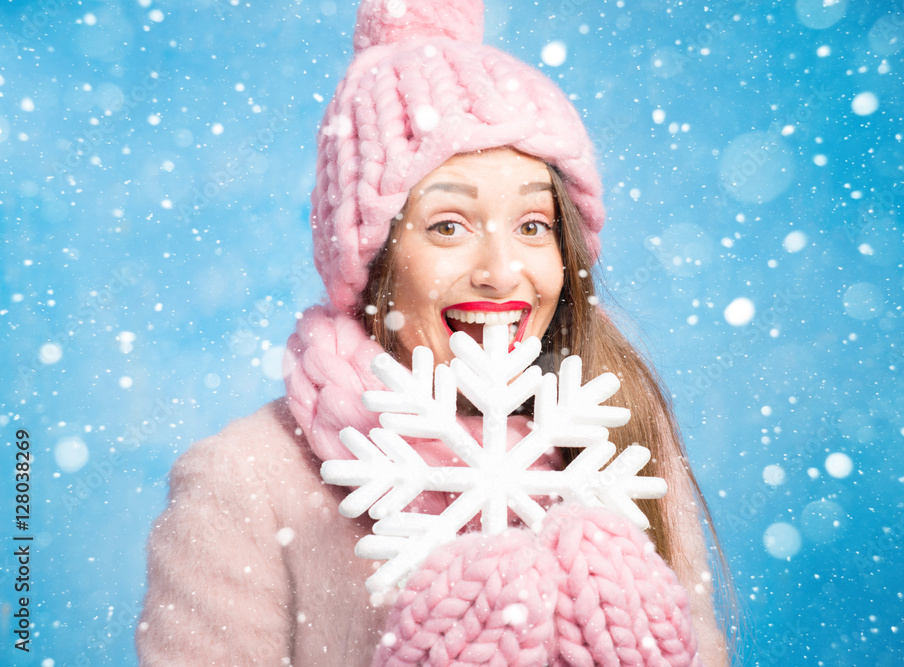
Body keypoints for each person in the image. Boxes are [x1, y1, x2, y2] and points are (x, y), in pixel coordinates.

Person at [136, 1, 732, 664]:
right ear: (368, 257)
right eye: (449, 224)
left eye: (533, 225)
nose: (502, 272)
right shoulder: (243, 480)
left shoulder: (621, 429)